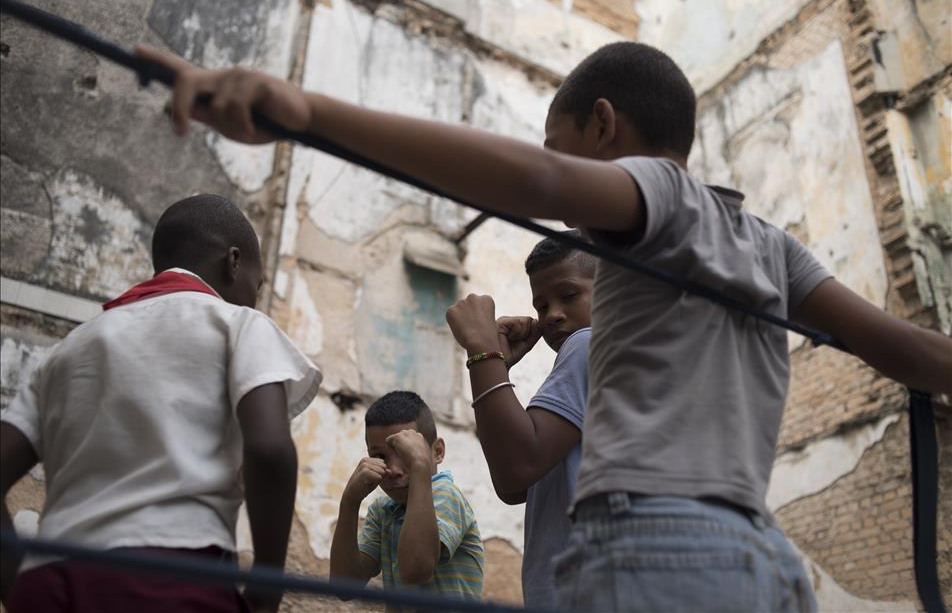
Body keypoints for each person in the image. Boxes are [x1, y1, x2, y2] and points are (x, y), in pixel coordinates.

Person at [139, 41, 952, 612]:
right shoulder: (768, 244)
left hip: (654, 546)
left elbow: (531, 179)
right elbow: (915, 352)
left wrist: (305, 112)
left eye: (565, 148)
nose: (564, 185)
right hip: (761, 557)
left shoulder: (659, 196)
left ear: (605, 129)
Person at [0, 194, 322, 613]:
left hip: (50, 583)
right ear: (234, 262)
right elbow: (271, 450)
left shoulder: (67, 350)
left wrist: (16, 583)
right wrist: (266, 590)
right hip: (171, 577)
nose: (255, 300)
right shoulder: (239, 325)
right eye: (257, 287)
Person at [444, 231, 594, 609]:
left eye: (569, 295)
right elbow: (514, 488)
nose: (553, 315)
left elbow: (517, 467)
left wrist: (483, 352)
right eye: (541, 306)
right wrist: (495, 364)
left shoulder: (588, 343)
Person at [329, 391, 484, 608]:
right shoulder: (383, 510)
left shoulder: (444, 494)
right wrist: (349, 502)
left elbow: (416, 570)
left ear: (437, 451)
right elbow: (343, 587)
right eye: (380, 456)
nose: (392, 470)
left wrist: (419, 467)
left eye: (405, 453)